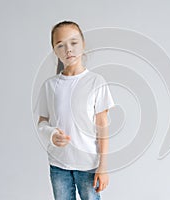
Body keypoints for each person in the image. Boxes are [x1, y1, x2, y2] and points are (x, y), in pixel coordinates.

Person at [35, 20, 115, 200]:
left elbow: (103, 127)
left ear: (83, 44)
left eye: (73, 43)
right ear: (55, 50)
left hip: (88, 166)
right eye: (60, 45)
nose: (68, 49)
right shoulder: (49, 86)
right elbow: (42, 122)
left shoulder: (96, 82)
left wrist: (103, 167)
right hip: (58, 166)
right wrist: (51, 134)